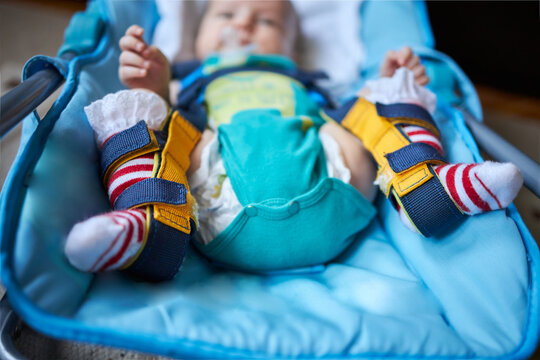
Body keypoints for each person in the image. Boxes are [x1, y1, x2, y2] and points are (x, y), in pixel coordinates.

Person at [65, 0, 522, 281]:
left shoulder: (311, 83)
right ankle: (147, 225)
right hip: (215, 193)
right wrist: (157, 84)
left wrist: (386, 85)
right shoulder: (193, 80)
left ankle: (425, 188)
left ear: (291, 45)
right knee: (140, 119)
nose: (243, 25)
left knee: (378, 107)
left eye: (266, 21)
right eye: (226, 14)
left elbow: (354, 117)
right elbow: (165, 119)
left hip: (333, 183)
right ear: (198, 39)